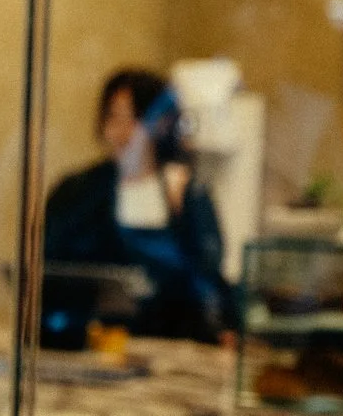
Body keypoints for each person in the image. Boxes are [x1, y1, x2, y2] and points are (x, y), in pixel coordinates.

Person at [44, 67, 232, 341]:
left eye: (133, 119)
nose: (121, 132)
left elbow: (207, 271)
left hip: (174, 340)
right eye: (112, 117)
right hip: (94, 339)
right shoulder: (78, 191)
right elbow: (53, 268)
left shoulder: (187, 194)